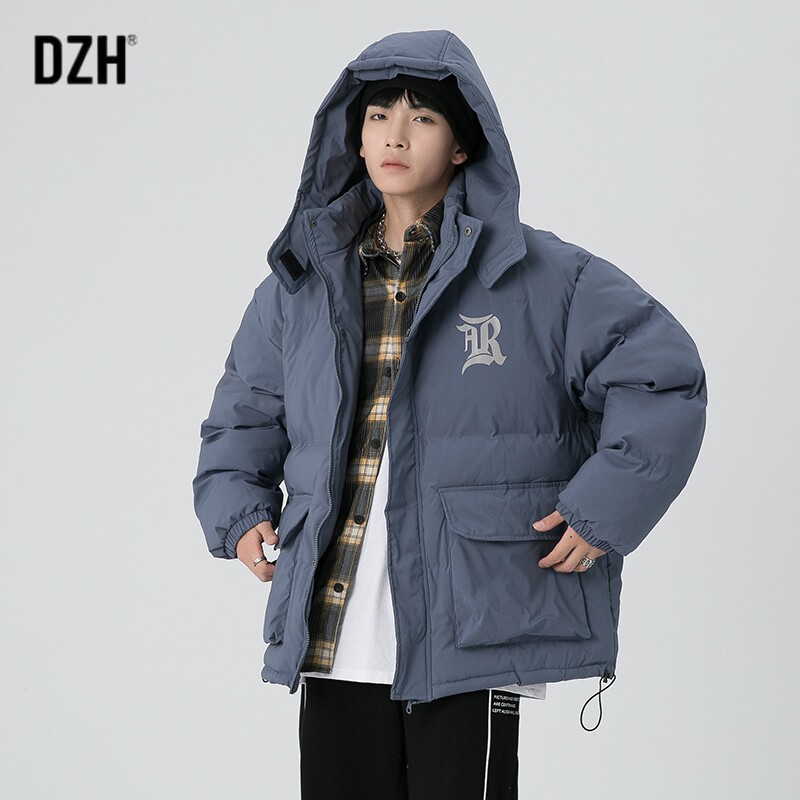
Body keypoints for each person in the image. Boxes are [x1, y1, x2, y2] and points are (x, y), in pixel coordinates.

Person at [193, 29, 707, 800]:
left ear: (463, 146)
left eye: (422, 118)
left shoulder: (544, 277)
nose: (394, 135)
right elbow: (244, 411)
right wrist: (238, 510)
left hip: (475, 622)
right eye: (377, 116)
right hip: (332, 624)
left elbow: (663, 376)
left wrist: (604, 509)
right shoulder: (300, 287)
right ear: (353, 137)